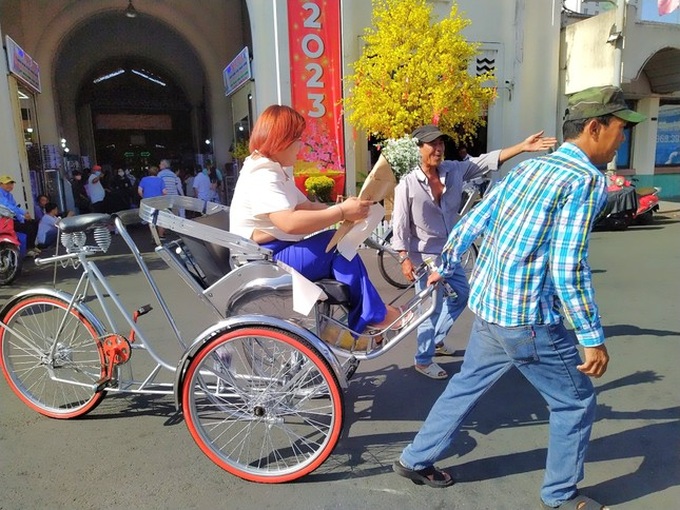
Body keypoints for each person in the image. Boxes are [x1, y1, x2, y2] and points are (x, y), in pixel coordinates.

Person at [393, 85, 644, 510]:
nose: (623, 138)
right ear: (595, 128)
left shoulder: (529, 170)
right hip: (527, 319)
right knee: (575, 401)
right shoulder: (585, 180)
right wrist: (591, 335)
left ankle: (415, 458)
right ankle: (561, 496)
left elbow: (475, 220)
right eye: (620, 128)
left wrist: (444, 264)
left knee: (466, 385)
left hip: (491, 306)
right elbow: (568, 265)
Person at [230, 104, 411, 335]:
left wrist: (344, 207)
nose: (300, 145)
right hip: (265, 259)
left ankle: (369, 317)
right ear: (281, 140)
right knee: (337, 247)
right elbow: (290, 223)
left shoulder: (273, 169)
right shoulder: (264, 174)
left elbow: (305, 206)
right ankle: (374, 316)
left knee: (337, 243)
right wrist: (342, 212)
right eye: (297, 139)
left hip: (270, 251)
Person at [392, 125, 557, 379]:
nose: (438, 149)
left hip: (450, 252)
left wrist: (522, 147)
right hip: (424, 256)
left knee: (461, 295)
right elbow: (400, 224)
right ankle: (423, 360)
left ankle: (436, 338)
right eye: (432, 144)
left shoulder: (454, 170)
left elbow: (487, 161)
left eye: (441, 144)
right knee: (430, 308)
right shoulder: (407, 185)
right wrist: (404, 258)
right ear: (419, 148)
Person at [0, 175, 40, 256]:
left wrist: (23, 216)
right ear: (1, 184)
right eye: (7, 184)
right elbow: (9, 207)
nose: (10, 186)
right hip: (4, 221)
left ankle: (31, 246)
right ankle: (27, 250)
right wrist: (23, 214)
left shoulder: (9, 195)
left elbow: (15, 207)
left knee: (34, 223)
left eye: (11, 184)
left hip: (11, 219)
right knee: (28, 227)